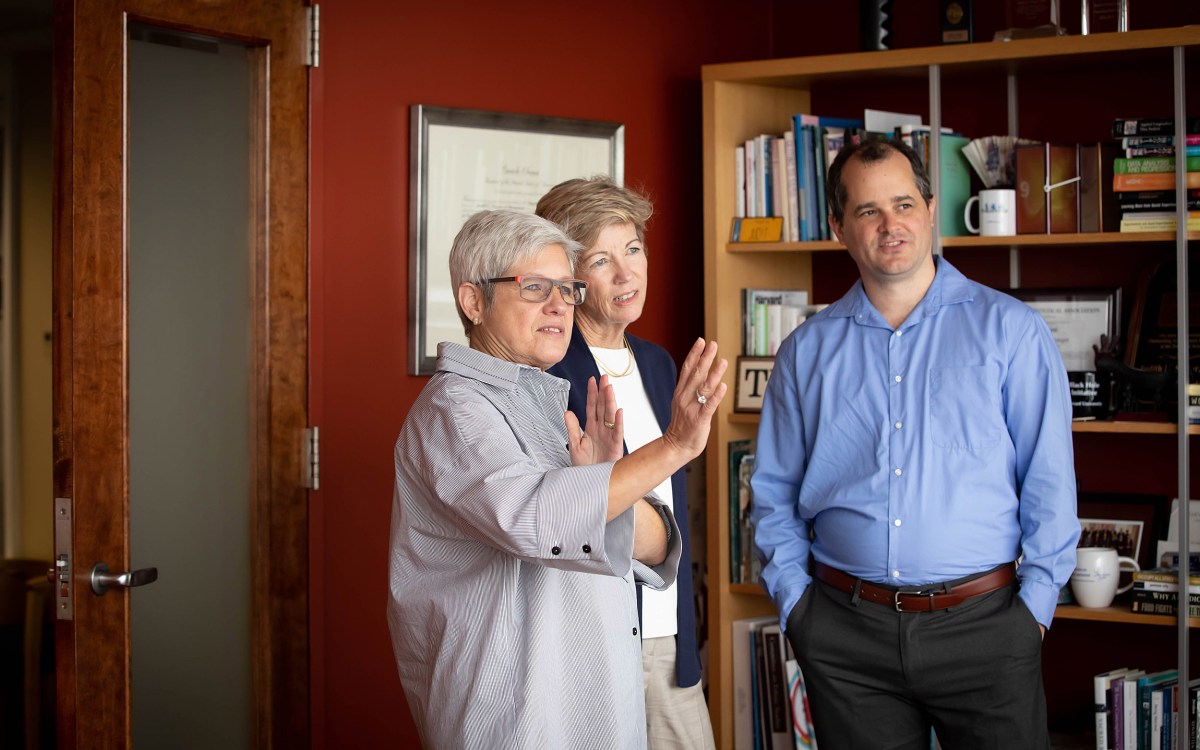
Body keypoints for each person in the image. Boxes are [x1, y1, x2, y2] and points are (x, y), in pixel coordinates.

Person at [750, 138, 1080, 750]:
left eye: (904, 203)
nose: (890, 224)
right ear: (838, 226)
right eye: (868, 210)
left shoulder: (1010, 331)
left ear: (931, 207)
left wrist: (1031, 615)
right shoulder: (805, 352)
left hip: (988, 629)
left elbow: (1050, 486)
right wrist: (799, 609)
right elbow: (772, 496)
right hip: (846, 637)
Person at [387, 209, 727, 749]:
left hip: (596, 708)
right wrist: (674, 448)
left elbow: (650, 543)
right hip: (516, 720)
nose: (558, 305)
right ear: (473, 301)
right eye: (534, 287)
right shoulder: (454, 410)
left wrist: (601, 490)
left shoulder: (549, 404)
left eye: (567, 289)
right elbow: (539, 519)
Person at [537, 177, 717, 750]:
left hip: (670, 639)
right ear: (568, 276)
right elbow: (566, 512)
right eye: (601, 259)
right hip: (593, 640)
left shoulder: (662, 364)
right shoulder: (548, 372)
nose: (626, 273)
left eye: (633, 249)